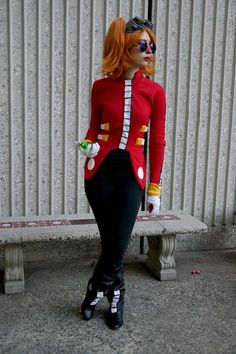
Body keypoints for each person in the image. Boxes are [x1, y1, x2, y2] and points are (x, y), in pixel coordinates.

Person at [78, 16, 166, 330]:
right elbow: (92, 128)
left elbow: (157, 140)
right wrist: (87, 145)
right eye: (143, 45)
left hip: (132, 174)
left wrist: (154, 187)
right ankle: (116, 294)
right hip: (98, 172)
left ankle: (96, 289)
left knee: (117, 242)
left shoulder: (155, 92)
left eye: (152, 45)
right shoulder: (100, 87)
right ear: (123, 47)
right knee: (112, 241)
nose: (149, 51)